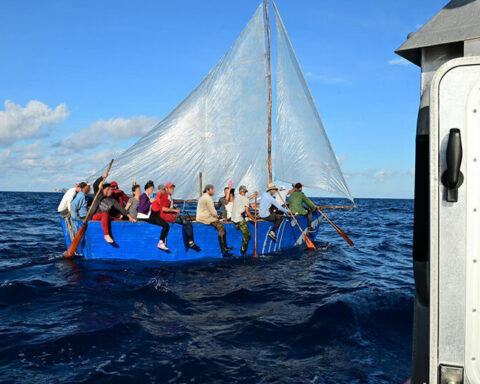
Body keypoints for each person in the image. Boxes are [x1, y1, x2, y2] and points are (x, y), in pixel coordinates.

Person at [90, 174, 136, 244]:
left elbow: (121, 209)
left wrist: (130, 217)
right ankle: (106, 235)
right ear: (105, 190)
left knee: (119, 220)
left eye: (111, 190)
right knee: (105, 213)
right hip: (95, 217)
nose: (111, 191)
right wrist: (102, 177)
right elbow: (95, 185)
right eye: (110, 190)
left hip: (105, 218)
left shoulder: (113, 201)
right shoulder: (98, 195)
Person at [156, 182, 201, 252]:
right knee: (187, 222)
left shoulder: (168, 196)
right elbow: (163, 208)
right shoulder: (165, 195)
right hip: (166, 217)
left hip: (168, 215)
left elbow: (166, 206)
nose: (172, 189)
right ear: (166, 189)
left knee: (185, 219)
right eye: (170, 188)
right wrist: (175, 210)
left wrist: (173, 206)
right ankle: (191, 243)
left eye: (173, 188)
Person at [197, 184, 233, 255]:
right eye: (212, 190)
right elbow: (213, 211)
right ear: (208, 190)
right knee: (221, 227)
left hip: (200, 216)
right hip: (206, 217)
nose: (213, 191)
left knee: (219, 224)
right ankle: (224, 248)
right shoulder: (208, 198)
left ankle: (224, 247)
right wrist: (217, 216)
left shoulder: (202, 197)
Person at [137, 180, 170, 251]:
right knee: (165, 225)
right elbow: (142, 209)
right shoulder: (144, 196)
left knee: (162, 219)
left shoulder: (147, 196)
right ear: (148, 189)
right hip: (145, 216)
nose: (152, 191)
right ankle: (161, 243)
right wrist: (150, 202)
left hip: (148, 215)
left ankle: (162, 242)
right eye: (152, 189)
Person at [231, 185, 254, 256]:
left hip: (233, 219)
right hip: (239, 220)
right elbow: (248, 212)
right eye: (244, 192)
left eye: (245, 192)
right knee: (247, 236)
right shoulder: (245, 199)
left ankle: (237, 226)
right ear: (241, 191)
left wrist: (253, 196)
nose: (245, 193)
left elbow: (246, 199)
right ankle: (243, 251)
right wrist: (254, 219)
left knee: (249, 235)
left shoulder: (237, 197)